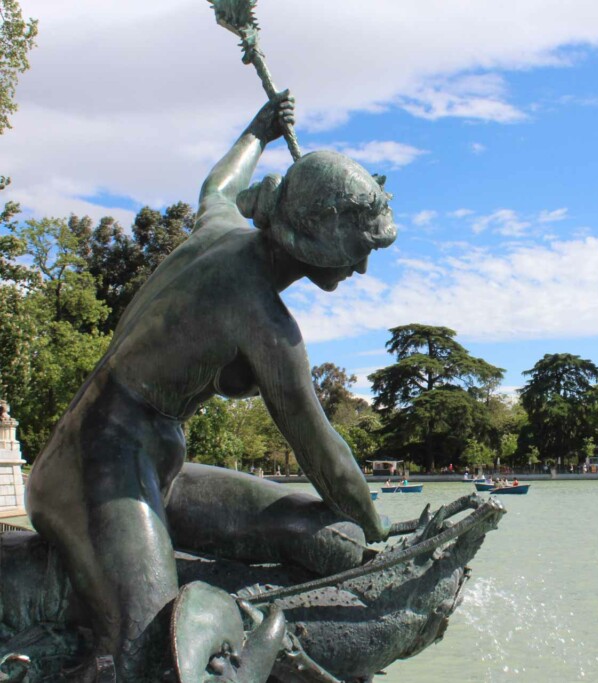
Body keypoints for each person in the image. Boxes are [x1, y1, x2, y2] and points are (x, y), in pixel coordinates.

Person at [25, 94, 396, 679]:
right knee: (145, 652)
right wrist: (382, 535)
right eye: (358, 249)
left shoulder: (222, 228)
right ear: (315, 239)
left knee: (310, 526)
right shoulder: (262, 318)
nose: (362, 268)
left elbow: (219, 187)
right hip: (93, 470)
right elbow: (322, 452)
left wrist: (259, 130)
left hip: (157, 468)